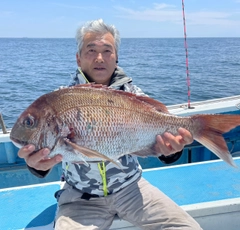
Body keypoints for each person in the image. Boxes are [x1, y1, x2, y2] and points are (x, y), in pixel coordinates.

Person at [18, 19, 202, 230]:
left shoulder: (134, 95)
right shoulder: (59, 99)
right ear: (78, 59)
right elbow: (44, 158)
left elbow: (160, 141)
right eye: (91, 50)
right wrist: (36, 166)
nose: (99, 58)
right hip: (80, 198)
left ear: (116, 57)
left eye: (107, 50)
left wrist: (170, 150)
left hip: (131, 188)